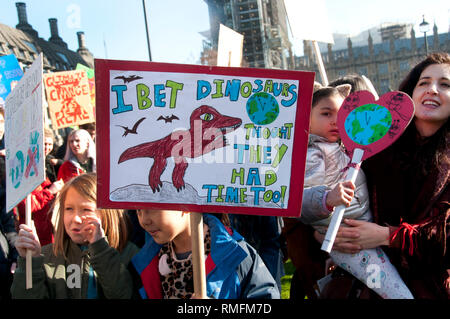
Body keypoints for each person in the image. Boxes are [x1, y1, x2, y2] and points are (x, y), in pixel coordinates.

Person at [317, 52, 450, 299]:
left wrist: (389, 236)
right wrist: (330, 235)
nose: (432, 89)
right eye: (424, 82)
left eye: (445, 84)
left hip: (430, 287)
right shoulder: (377, 149)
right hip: (370, 281)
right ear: (411, 91)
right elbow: (347, 199)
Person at [298, 83, 413, 299]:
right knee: (395, 291)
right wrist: (326, 199)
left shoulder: (342, 147)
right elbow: (301, 201)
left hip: (360, 228)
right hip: (347, 238)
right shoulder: (312, 155)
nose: (335, 120)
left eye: (340, 114)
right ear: (307, 118)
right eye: (325, 113)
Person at [11, 173, 139, 299]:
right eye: (69, 209)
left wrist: (101, 250)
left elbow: (123, 294)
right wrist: (30, 263)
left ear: (107, 214)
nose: (75, 219)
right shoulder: (48, 256)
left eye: (86, 210)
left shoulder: (130, 254)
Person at [132, 210, 280, 299]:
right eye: (138, 210)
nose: (144, 220)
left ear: (184, 203)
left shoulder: (236, 254)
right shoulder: (145, 263)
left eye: (154, 209)